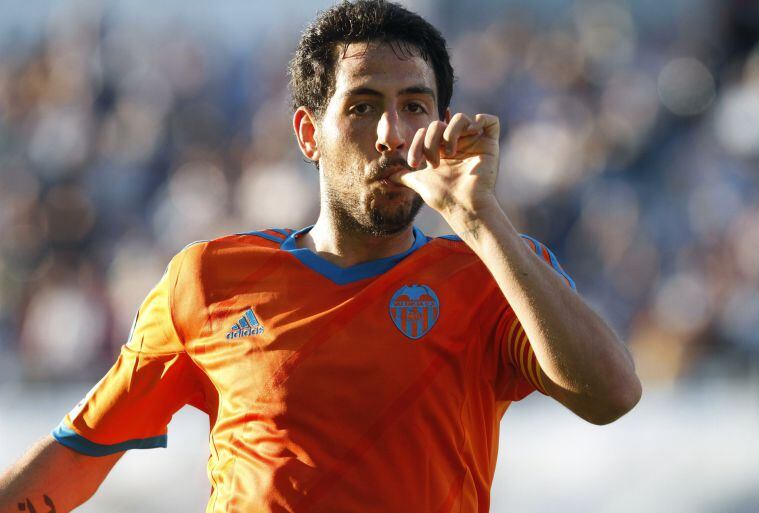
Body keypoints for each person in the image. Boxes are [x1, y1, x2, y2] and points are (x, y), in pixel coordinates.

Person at [0, 1, 642, 512]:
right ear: (310, 134)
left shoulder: (491, 270)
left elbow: (611, 395)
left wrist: (479, 218)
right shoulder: (210, 280)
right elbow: (78, 455)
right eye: (363, 106)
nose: (392, 133)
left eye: (414, 106)